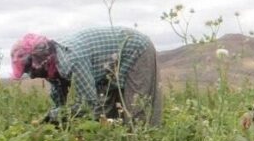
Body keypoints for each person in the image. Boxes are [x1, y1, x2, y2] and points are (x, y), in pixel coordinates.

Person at [10, 27, 162, 125]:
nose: (30, 76)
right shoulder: (50, 64)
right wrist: (54, 118)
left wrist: (55, 115)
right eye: (26, 72)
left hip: (135, 50)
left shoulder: (72, 59)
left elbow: (88, 103)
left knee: (137, 113)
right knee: (106, 115)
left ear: (40, 59)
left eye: (29, 70)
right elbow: (59, 98)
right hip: (107, 64)